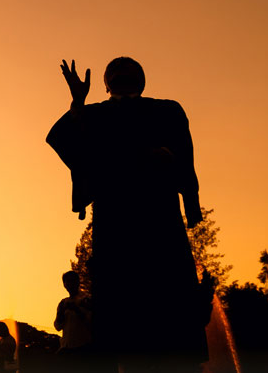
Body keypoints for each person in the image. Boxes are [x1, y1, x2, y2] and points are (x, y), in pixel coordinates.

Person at [45, 57, 208, 372]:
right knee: (124, 321)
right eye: (115, 71)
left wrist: (191, 203)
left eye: (130, 70)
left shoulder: (167, 110)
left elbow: (183, 156)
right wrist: (77, 102)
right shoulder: (91, 115)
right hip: (115, 223)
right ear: (105, 85)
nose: (122, 73)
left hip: (159, 219)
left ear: (143, 80)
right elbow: (63, 140)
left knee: (170, 314)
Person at [55, 271, 93, 354]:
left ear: (78, 282)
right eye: (66, 281)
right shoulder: (63, 303)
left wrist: (77, 310)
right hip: (66, 347)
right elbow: (58, 327)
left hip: (83, 347)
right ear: (64, 284)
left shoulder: (87, 300)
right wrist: (61, 312)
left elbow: (91, 323)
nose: (69, 284)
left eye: (72, 281)